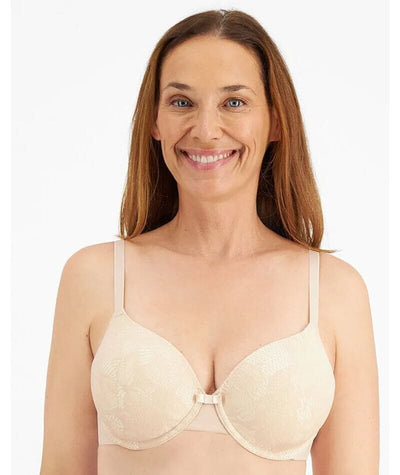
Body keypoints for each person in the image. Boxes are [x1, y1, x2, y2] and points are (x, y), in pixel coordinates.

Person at [40, 8, 380, 475]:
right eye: (181, 102)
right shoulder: (94, 278)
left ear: (275, 121)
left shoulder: (335, 292)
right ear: (155, 121)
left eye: (233, 102)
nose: (205, 130)